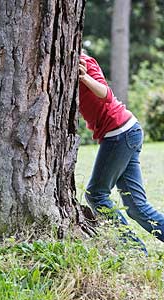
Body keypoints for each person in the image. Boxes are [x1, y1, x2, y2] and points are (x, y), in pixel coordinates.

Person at [78, 51, 164, 246]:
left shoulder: (84, 62)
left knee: (96, 194)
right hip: (126, 132)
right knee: (136, 207)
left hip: (119, 133)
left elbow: (106, 94)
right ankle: (134, 249)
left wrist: (84, 78)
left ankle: (133, 248)